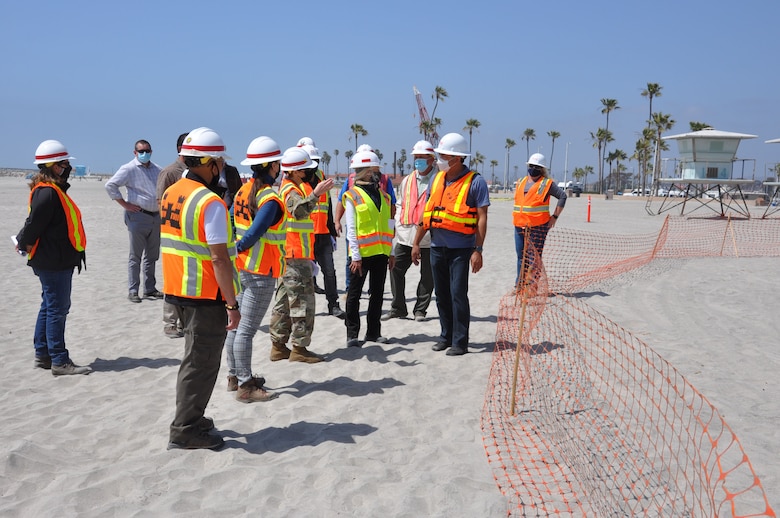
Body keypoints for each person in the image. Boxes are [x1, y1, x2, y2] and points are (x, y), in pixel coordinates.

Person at [160, 127, 240, 450]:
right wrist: (232, 305)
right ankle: (185, 428)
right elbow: (219, 259)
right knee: (201, 363)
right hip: (204, 295)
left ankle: (191, 416)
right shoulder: (211, 203)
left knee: (194, 360)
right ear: (208, 162)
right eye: (219, 161)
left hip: (178, 289)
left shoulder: (172, 192)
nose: (221, 167)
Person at [15, 140, 91, 376]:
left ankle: (43, 354)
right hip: (53, 261)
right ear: (54, 166)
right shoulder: (47, 193)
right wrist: (22, 243)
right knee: (58, 308)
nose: (67, 167)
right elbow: (33, 225)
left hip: (53, 259)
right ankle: (59, 360)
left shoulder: (51, 190)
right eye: (64, 163)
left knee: (49, 306)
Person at [411, 132, 490, 356]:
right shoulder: (437, 179)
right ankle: (445, 336)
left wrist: (478, 249)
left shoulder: (476, 182)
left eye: (443, 156)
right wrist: (416, 243)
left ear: (456, 158)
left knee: (457, 293)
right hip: (437, 246)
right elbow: (426, 214)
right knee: (442, 294)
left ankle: (460, 341)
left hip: (461, 249)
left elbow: (482, 218)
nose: (438, 160)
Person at [224, 136, 286, 403]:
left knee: (235, 327)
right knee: (245, 329)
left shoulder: (242, 191)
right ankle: (246, 385)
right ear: (272, 166)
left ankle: (234, 376)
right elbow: (253, 234)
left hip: (240, 269)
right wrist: (238, 247)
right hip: (261, 271)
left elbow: (230, 222)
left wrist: (231, 251)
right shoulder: (269, 197)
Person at [269, 147, 334, 363]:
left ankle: (278, 346)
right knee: (302, 303)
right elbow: (298, 210)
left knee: (284, 302)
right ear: (296, 171)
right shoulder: (291, 191)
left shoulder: (289, 186)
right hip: (295, 255)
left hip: (290, 253)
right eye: (304, 169)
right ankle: (299, 348)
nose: (308, 172)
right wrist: (316, 194)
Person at [343, 151, 395, 347]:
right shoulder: (352, 196)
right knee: (354, 295)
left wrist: (390, 251)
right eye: (375, 170)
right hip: (361, 255)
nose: (378, 174)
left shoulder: (385, 196)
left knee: (378, 294)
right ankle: (352, 334)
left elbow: (389, 224)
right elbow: (352, 229)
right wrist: (355, 256)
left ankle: (373, 332)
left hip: (381, 253)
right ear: (365, 172)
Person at [382, 140, 435, 322]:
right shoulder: (407, 180)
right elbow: (400, 204)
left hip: (429, 236)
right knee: (395, 268)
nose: (418, 160)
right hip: (405, 235)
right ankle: (398, 308)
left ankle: (420, 310)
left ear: (431, 159)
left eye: (422, 157)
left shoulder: (439, 179)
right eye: (416, 157)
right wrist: (396, 225)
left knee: (428, 276)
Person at [105, 139, 163, 303]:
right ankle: (133, 290)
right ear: (135, 152)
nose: (144, 153)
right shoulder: (129, 168)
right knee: (135, 256)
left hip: (155, 216)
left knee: (152, 256)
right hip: (138, 216)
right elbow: (111, 185)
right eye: (141, 151)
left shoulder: (158, 169)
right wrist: (125, 204)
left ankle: (150, 288)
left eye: (147, 150)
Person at [334, 144, 396, 292]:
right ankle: (350, 289)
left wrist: (390, 232)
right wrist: (337, 220)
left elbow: (390, 206)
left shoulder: (385, 180)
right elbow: (341, 202)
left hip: (380, 240)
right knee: (353, 265)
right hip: (357, 232)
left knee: (376, 289)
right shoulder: (350, 181)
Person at [301, 143, 344, 319]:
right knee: (304, 275)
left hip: (323, 233)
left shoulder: (322, 177)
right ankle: (303, 308)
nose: (315, 165)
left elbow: (327, 205)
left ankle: (333, 305)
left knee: (330, 272)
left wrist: (332, 230)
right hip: (304, 235)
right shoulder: (298, 182)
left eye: (317, 161)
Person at [512, 153, 566, 288]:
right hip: (519, 225)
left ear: (542, 169)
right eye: (531, 166)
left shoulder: (546, 183)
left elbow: (562, 196)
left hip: (538, 226)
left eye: (536, 167)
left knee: (533, 258)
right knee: (521, 257)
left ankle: (532, 287)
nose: (533, 168)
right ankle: (519, 285)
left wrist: (554, 217)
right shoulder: (521, 182)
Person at [156, 132, 189, 338]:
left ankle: (185, 322)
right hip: (174, 234)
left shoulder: (195, 172)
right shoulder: (170, 172)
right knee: (172, 279)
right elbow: (161, 202)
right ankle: (170, 322)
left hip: (190, 234)